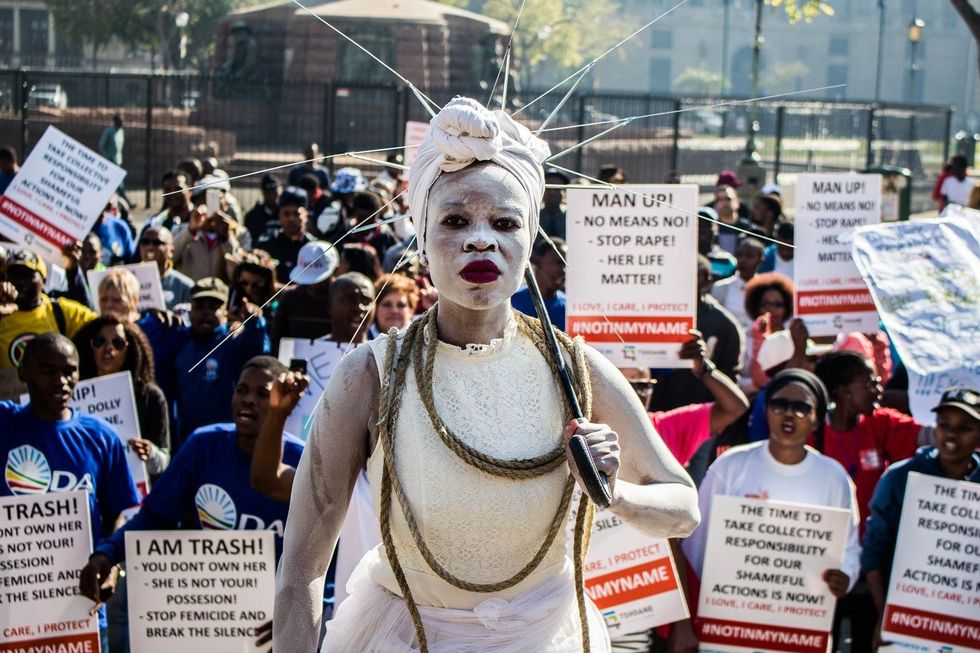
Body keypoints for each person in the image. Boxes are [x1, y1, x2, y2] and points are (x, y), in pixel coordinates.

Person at [274, 96, 699, 652]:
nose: (481, 239)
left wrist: (613, 492)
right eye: (456, 220)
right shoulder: (369, 375)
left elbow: (683, 510)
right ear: (422, 239)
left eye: (504, 222)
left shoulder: (576, 367)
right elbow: (302, 569)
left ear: (528, 243)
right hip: (405, 637)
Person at [79, 356, 307, 650]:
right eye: (242, 390)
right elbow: (156, 518)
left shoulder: (302, 460)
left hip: (269, 629)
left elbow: (322, 559)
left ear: (283, 401)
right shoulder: (203, 445)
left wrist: (294, 614)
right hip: (206, 616)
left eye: (263, 394)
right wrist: (107, 554)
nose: (248, 400)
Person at [672, 369, 861, 652]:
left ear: (816, 419)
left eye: (801, 407)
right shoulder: (731, 465)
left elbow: (850, 549)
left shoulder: (833, 477)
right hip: (728, 626)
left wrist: (845, 575)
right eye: (779, 404)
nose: (789, 414)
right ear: (766, 411)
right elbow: (697, 545)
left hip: (797, 630)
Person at [1, 334, 139, 651]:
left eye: (69, 371)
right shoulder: (5, 423)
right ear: (23, 372)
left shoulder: (102, 437)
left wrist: (112, 564)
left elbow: (116, 514)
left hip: (79, 608)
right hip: (11, 606)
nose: (62, 381)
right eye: (48, 370)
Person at [861, 388, 980, 650]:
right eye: (944, 424)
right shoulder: (900, 477)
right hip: (907, 627)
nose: (951, 434)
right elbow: (874, 551)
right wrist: (885, 615)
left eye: (965, 428)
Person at [151, 277, 270, 448]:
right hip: (185, 441)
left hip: (226, 440)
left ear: (225, 311)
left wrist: (255, 323)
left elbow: (258, 354)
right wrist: (155, 318)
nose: (206, 313)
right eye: (199, 306)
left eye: (214, 307)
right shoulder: (177, 340)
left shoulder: (233, 341)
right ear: (189, 309)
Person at [621, 332, 750, 467]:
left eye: (642, 385)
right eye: (624, 385)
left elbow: (735, 409)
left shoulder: (670, 426)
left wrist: (704, 369)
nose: (633, 394)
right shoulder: (598, 431)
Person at [73, 315, 170, 479]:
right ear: (90, 347)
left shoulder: (150, 396)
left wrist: (149, 453)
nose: (108, 348)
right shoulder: (73, 394)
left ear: (130, 349)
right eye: (100, 341)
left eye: (117, 343)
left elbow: (163, 460)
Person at [649, 255, 745, 413]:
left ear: (707, 281)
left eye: (691, 276)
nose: (682, 281)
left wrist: (704, 366)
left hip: (701, 420)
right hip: (655, 416)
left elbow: (730, 378)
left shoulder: (725, 324)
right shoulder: (652, 316)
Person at [0, 250, 97, 368]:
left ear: (44, 280)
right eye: (14, 275)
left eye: (28, 276)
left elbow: (99, 327)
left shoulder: (60, 311)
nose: (20, 282)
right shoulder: (2, 314)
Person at [272, 241, 339, 344]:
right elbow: (277, 338)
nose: (313, 284)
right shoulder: (290, 297)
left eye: (320, 279)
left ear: (336, 271)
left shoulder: (344, 299)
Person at [173, 188, 243, 281]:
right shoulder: (182, 230)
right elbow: (171, 256)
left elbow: (239, 274)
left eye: (217, 198)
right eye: (204, 199)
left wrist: (226, 239)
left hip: (220, 294)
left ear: (225, 205)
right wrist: (190, 231)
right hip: (192, 293)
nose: (210, 204)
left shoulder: (239, 233)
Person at [257, 186, 317, 284]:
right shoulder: (267, 245)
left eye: (296, 214)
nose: (291, 219)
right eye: (286, 214)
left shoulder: (313, 248)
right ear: (279, 216)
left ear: (305, 216)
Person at [511, 236, 566, 329]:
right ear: (539, 262)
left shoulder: (567, 308)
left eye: (566, 265)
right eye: (558, 263)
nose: (564, 270)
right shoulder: (512, 301)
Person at [710, 237, 765, 331]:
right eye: (740, 255)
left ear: (760, 261)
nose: (743, 260)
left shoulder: (767, 289)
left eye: (749, 256)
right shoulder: (720, 288)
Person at [138, 225, 194, 312]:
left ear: (171, 251)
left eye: (157, 243)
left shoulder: (186, 286)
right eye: (145, 242)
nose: (150, 247)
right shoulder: (128, 281)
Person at [325, 272, 375, 344]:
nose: (359, 308)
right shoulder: (308, 352)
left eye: (366, 301)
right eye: (350, 300)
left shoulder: (384, 354)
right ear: (330, 306)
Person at [697, 208, 736, 281]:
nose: (701, 229)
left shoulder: (728, 261)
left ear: (716, 229)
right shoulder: (683, 257)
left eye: (707, 225)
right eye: (698, 225)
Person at [244, 174, 282, 243]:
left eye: (274, 192)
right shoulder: (252, 216)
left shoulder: (288, 214)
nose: (272, 197)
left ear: (280, 191)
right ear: (263, 193)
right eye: (268, 193)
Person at [540, 168, 570, 239]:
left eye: (557, 188)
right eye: (548, 188)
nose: (552, 192)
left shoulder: (572, 218)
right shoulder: (533, 217)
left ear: (564, 192)